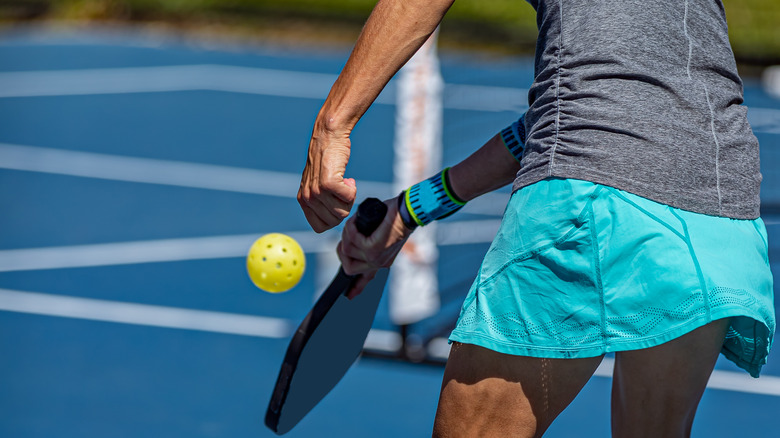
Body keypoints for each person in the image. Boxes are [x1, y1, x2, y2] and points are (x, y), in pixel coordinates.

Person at [297, 0, 775, 436]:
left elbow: (602, 117)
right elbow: (591, 109)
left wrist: (332, 124)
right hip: (722, 219)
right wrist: (412, 209)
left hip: (592, 198)